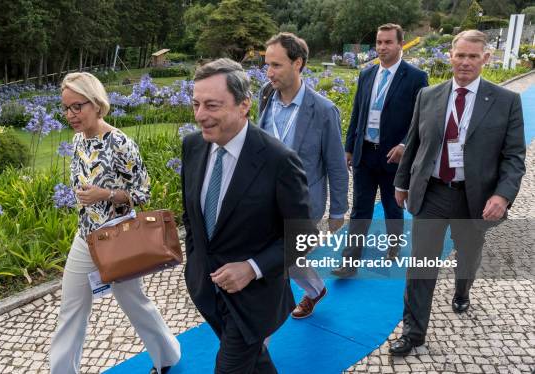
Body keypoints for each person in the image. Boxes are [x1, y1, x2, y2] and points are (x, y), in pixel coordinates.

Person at [389, 30, 526, 356]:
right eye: (460, 55)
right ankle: (413, 333)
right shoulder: (428, 95)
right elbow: (415, 143)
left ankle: (463, 290)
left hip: (474, 198)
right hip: (433, 192)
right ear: (450, 56)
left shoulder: (506, 102)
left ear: (485, 59)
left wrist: (502, 195)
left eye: (473, 56)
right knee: (421, 263)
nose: (465, 62)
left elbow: (514, 157)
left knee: (468, 254)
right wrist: (402, 181)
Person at [181, 58, 312, 373]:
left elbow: (304, 236)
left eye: (212, 105)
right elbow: (190, 217)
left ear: (243, 105)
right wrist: (195, 264)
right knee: (255, 363)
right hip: (208, 291)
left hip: (255, 298)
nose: (200, 116)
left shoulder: (279, 161)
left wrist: (252, 268)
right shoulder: (192, 146)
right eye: (196, 104)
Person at [49, 72, 180, 374]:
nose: (71, 115)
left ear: (96, 103)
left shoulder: (120, 142)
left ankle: (167, 357)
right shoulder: (78, 140)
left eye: (77, 107)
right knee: (70, 310)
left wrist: (104, 194)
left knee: (134, 303)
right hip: (86, 239)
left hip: (120, 241)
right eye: (66, 108)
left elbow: (143, 192)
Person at [258, 32, 348, 318]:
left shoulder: (323, 110)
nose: (269, 72)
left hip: (303, 201)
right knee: (279, 257)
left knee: (286, 257)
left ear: (298, 64)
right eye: (267, 65)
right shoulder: (266, 95)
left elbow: (336, 164)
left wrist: (338, 211)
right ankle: (315, 290)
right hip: (266, 197)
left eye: (276, 65)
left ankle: (291, 301)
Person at [333, 24, 429, 278]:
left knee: (392, 206)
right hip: (365, 153)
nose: (382, 47)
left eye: (388, 42)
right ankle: (350, 261)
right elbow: (357, 113)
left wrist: (405, 146)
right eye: (379, 42)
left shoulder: (416, 77)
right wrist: (349, 147)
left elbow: (422, 119)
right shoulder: (366, 74)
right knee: (360, 209)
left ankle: (394, 245)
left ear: (400, 44)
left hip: (394, 156)